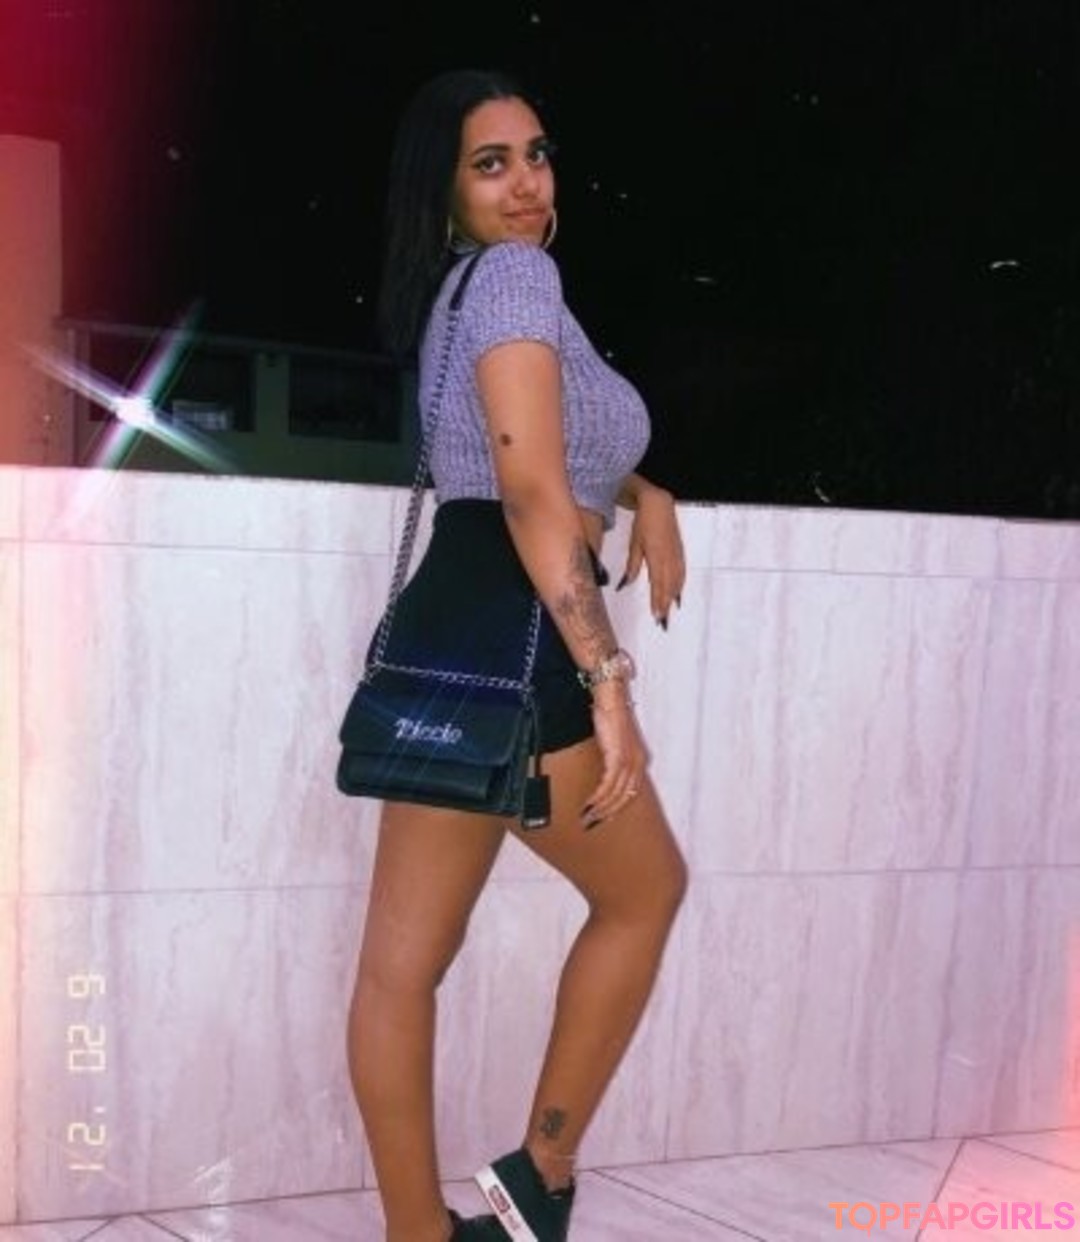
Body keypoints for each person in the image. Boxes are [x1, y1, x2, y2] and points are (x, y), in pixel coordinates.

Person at [345, 67, 688, 1242]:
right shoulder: (515, 278)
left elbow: (535, 448)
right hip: (529, 627)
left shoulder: (464, 293)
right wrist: (609, 681)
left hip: (452, 631)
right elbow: (534, 490)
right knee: (645, 893)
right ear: (443, 190)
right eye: (490, 164)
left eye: (535, 154)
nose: (527, 183)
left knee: (398, 971)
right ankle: (540, 1177)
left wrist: (647, 493)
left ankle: (417, 1232)